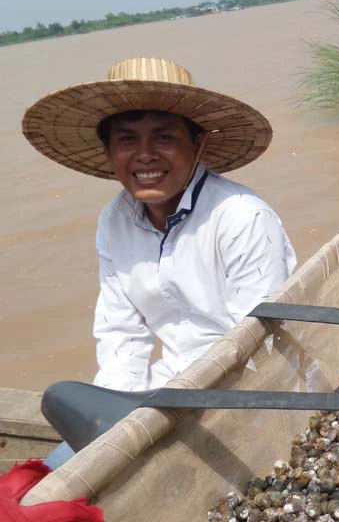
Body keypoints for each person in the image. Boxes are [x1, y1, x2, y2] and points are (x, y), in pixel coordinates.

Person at [21, 57, 297, 467]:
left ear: (197, 143)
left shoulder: (240, 216)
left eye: (164, 138)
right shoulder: (115, 221)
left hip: (253, 398)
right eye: (127, 140)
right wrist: (115, 428)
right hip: (167, 391)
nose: (145, 156)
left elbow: (262, 348)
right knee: (55, 474)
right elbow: (121, 336)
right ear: (108, 150)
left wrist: (179, 425)